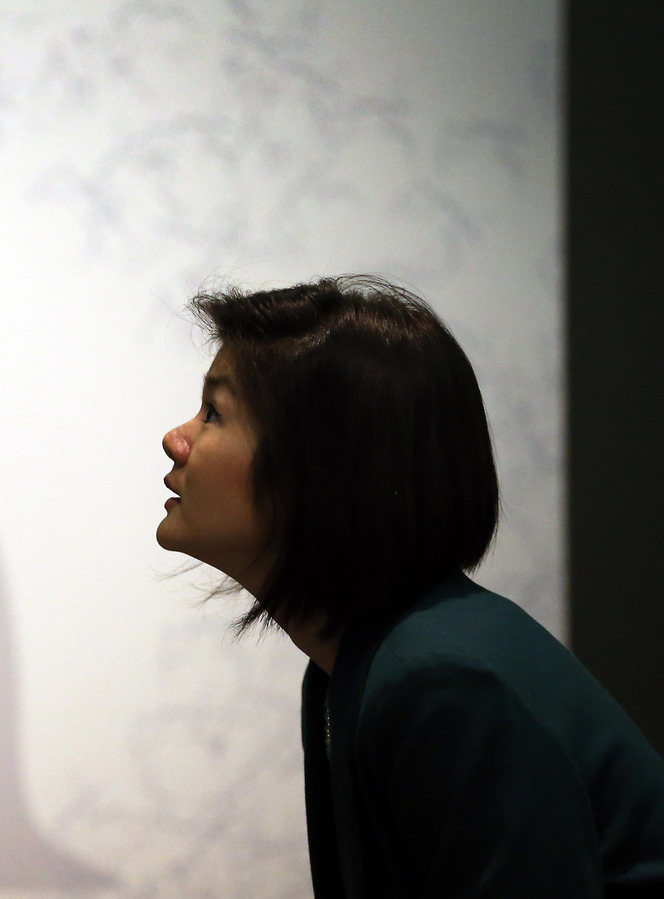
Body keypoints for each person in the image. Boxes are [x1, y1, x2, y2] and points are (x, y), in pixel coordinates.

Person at [156, 275, 664, 897]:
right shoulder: (353, 668)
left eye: (214, 413)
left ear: (319, 467)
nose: (175, 439)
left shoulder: (438, 680)